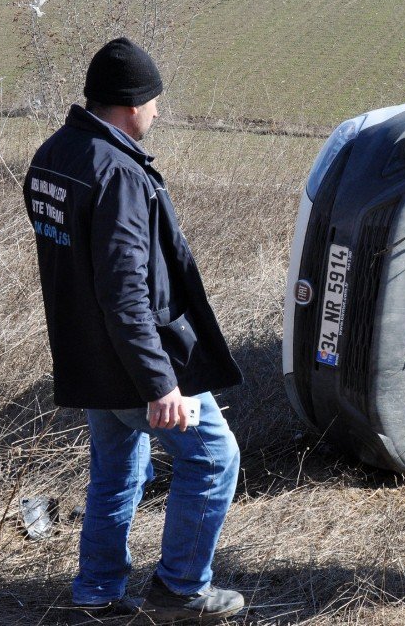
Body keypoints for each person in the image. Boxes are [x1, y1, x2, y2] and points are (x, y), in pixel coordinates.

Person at [23, 38, 246, 624]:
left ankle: (97, 590)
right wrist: (159, 383)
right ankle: (180, 589)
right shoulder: (117, 173)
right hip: (133, 361)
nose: (158, 113)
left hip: (86, 356)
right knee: (214, 459)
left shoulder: (54, 154)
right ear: (130, 106)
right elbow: (125, 293)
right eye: (153, 102)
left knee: (117, 467)